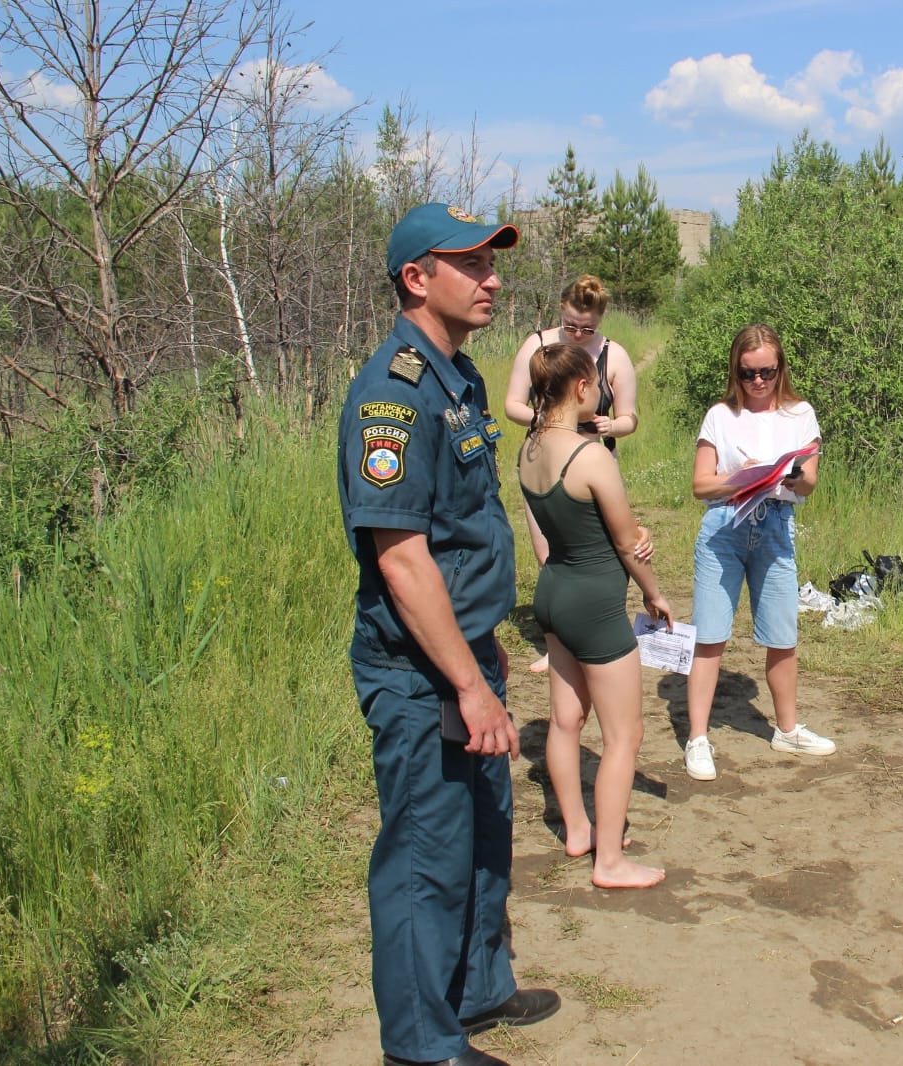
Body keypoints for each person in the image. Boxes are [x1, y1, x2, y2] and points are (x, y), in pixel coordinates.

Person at [337, 203, 559, 1066]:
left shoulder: (458, 378)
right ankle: (423, 1045)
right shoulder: (391, 393)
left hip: (469, 658)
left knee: (483, 832)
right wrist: (465, 682)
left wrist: (485, 657)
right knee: (426, 856)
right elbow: (401, 559)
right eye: (472, 263)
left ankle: (476, 989)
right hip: (424, 677)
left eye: (493, 261)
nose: (493, 278)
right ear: (417, 278)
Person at [518, 340, 672, 890]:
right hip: (594, 604)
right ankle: (608, 862)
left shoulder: (530, 450)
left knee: (565, 721)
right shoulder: (591, 456)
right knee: (623, 735)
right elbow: (627, 542)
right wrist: (653, 591)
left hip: (553, 591)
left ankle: (579, 830)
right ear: (581, 387)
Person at [682, 323, 833, 781]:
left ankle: (786, 728)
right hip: (724, 525)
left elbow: (809, 481)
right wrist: (742, 477)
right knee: (710, 635)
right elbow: (700, 484)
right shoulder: (719, 416)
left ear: (780, 368)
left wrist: (781, 475)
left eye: (767, 371)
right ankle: (698, 738)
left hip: (775, 525)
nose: (758, 381)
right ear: (736, 371)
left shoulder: (800, 414)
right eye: (748, 373)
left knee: (782, 636)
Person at [505, 275, 640, 674]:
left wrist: (612, 427)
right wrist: (551, 421)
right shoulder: (537, 345)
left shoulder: (614, 355)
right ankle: (558, 644)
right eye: (570, 326)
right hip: (545, 455)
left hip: (595, 459)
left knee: (604, 550)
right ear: (560, 312)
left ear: (600, 321)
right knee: (549, 547)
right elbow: (513, 404)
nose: (578, 334)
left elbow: (629, 417)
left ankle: (599, 629)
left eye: (588, 329)